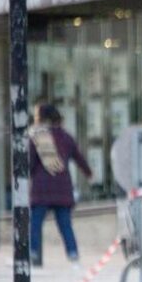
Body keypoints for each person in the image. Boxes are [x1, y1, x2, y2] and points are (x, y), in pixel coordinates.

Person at [29, 103, 92, 267]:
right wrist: (89, 173)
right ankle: (73, 256)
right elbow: (79, 157)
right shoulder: (65, 136)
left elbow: (30, 162)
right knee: (65, 225)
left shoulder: (38, 136)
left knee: (35, 224)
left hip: (42, 188)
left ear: (41, 118)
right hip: (62, 187)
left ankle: (32, 253)